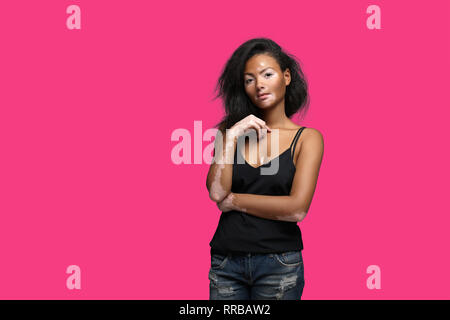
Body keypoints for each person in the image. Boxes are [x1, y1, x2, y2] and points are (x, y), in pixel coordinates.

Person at [206, 38, 324, 300]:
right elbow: (216, 193)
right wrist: (233, 135)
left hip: (279, 264)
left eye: (267, 75)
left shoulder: (307, 138)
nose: (259, 85)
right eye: (249, 80)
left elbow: (296, 208)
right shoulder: (230, 133)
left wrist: (235, 200)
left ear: (286, 76)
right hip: (226, 263)